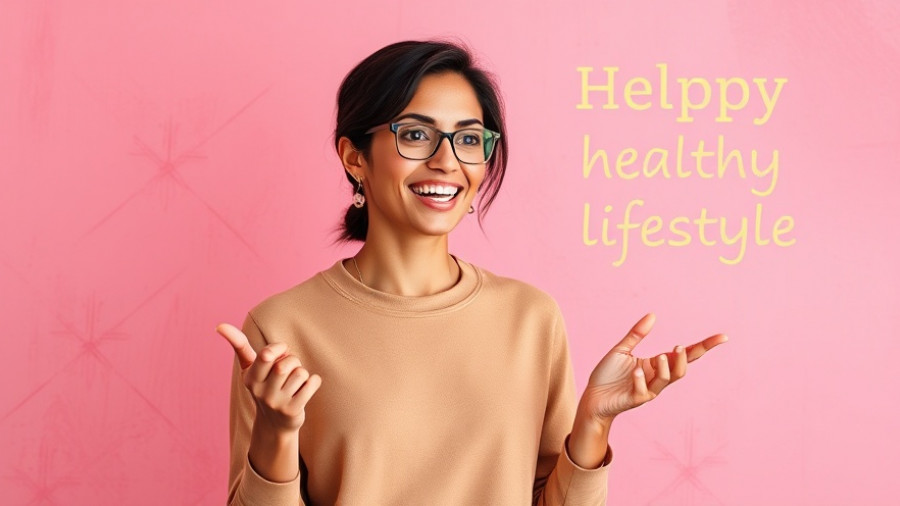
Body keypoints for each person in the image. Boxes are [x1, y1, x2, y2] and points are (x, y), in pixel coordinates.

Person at [215, 40, 727, 505]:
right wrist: (276, 435)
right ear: (354, 157)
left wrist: (593, 422)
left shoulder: (530, 318)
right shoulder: (280, 329)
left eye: (468, 139)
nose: (446, 160)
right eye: (416, 134)